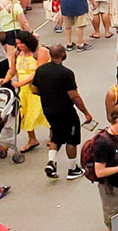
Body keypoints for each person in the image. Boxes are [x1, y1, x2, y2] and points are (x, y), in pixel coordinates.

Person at [32, 44, 94, 179]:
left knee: (56, 135)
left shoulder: (41, 70)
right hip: (66, 111)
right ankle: (73, 169)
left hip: (48, 110)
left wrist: (47, 94)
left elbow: (34, 89)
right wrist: (86, 113)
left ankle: (51, 162)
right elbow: (74, 96)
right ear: (62, 54)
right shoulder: (66, 73)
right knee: (71, 139)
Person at [11, 30, 49, 152]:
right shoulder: (16, 53)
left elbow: (37, 72)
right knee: (25, 114)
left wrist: (20, 83)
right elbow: (12, 69)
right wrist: (6, 79)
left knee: (44, 111)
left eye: (22, 44)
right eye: (17, 44)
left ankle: (53, 135)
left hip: (38, 88)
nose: (19, 46)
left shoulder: (40, 52)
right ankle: (32, 138)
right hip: (24, 91)